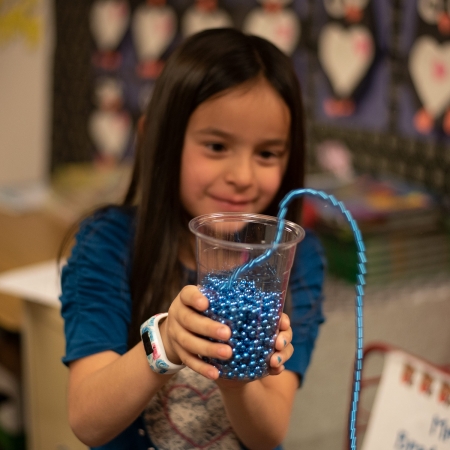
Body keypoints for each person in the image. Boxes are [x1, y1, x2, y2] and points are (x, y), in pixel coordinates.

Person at [59, 28, 326, 450]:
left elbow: (269, 432)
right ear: (158, 139)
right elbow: (88, 421)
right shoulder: (108, 245)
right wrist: (165, 342)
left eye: (268, 153)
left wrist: (236, 376)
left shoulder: (298, 258)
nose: (242, 175)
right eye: (217, 145)